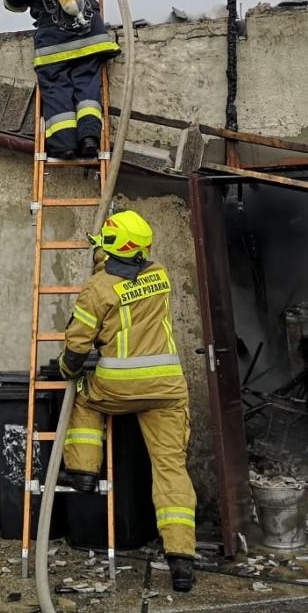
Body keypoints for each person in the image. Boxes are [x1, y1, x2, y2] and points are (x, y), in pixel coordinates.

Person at [53, 209, 197, 592]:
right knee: (170, 468)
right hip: (166, 389)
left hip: (117, 389)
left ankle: (83, 471)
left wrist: (68, 371)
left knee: (83, 398)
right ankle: (181, 559)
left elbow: (79, 344)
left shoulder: (97, 289)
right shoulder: (161, 276)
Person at [3, 0, 119, 159]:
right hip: (90, 34)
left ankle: (64, 143)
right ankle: (89, 136)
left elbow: (14, 3)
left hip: (53, 41)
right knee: (87, 84)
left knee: (56, 88)